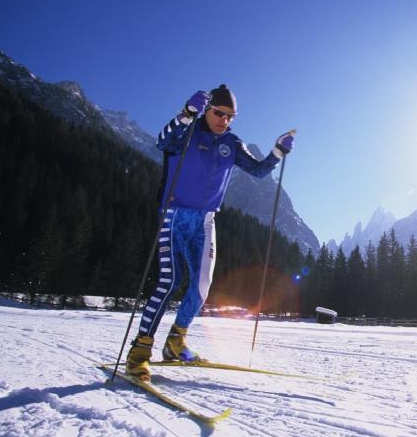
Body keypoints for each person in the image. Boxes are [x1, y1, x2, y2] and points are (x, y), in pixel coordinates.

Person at [126, 84, 294, 381]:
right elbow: (162, 142)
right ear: (207, 109)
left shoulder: (232, 143)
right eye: (219, 113)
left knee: (202, 285)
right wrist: (186, 114)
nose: (224, 120)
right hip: (174, 216)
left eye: (231, 116)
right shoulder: (187, 133)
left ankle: (176, 342)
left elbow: (257, 170)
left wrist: (277, 152)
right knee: (170, 281)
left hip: (205, 220)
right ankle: (139, 353)